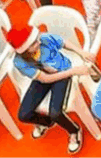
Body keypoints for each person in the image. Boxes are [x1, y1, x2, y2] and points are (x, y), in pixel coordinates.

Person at [6, 25, 90, 154]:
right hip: (43, 78)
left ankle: (74, 130)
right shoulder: (19, 62)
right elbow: (44, 79)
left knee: (55, 112)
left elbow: (63, 42)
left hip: (63, 73)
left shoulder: (43, 39)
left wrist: (81, 53)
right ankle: (47, 122)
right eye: (33, 43)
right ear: (24, 50)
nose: (38, 41)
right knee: (23, 115)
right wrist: (75, 71)